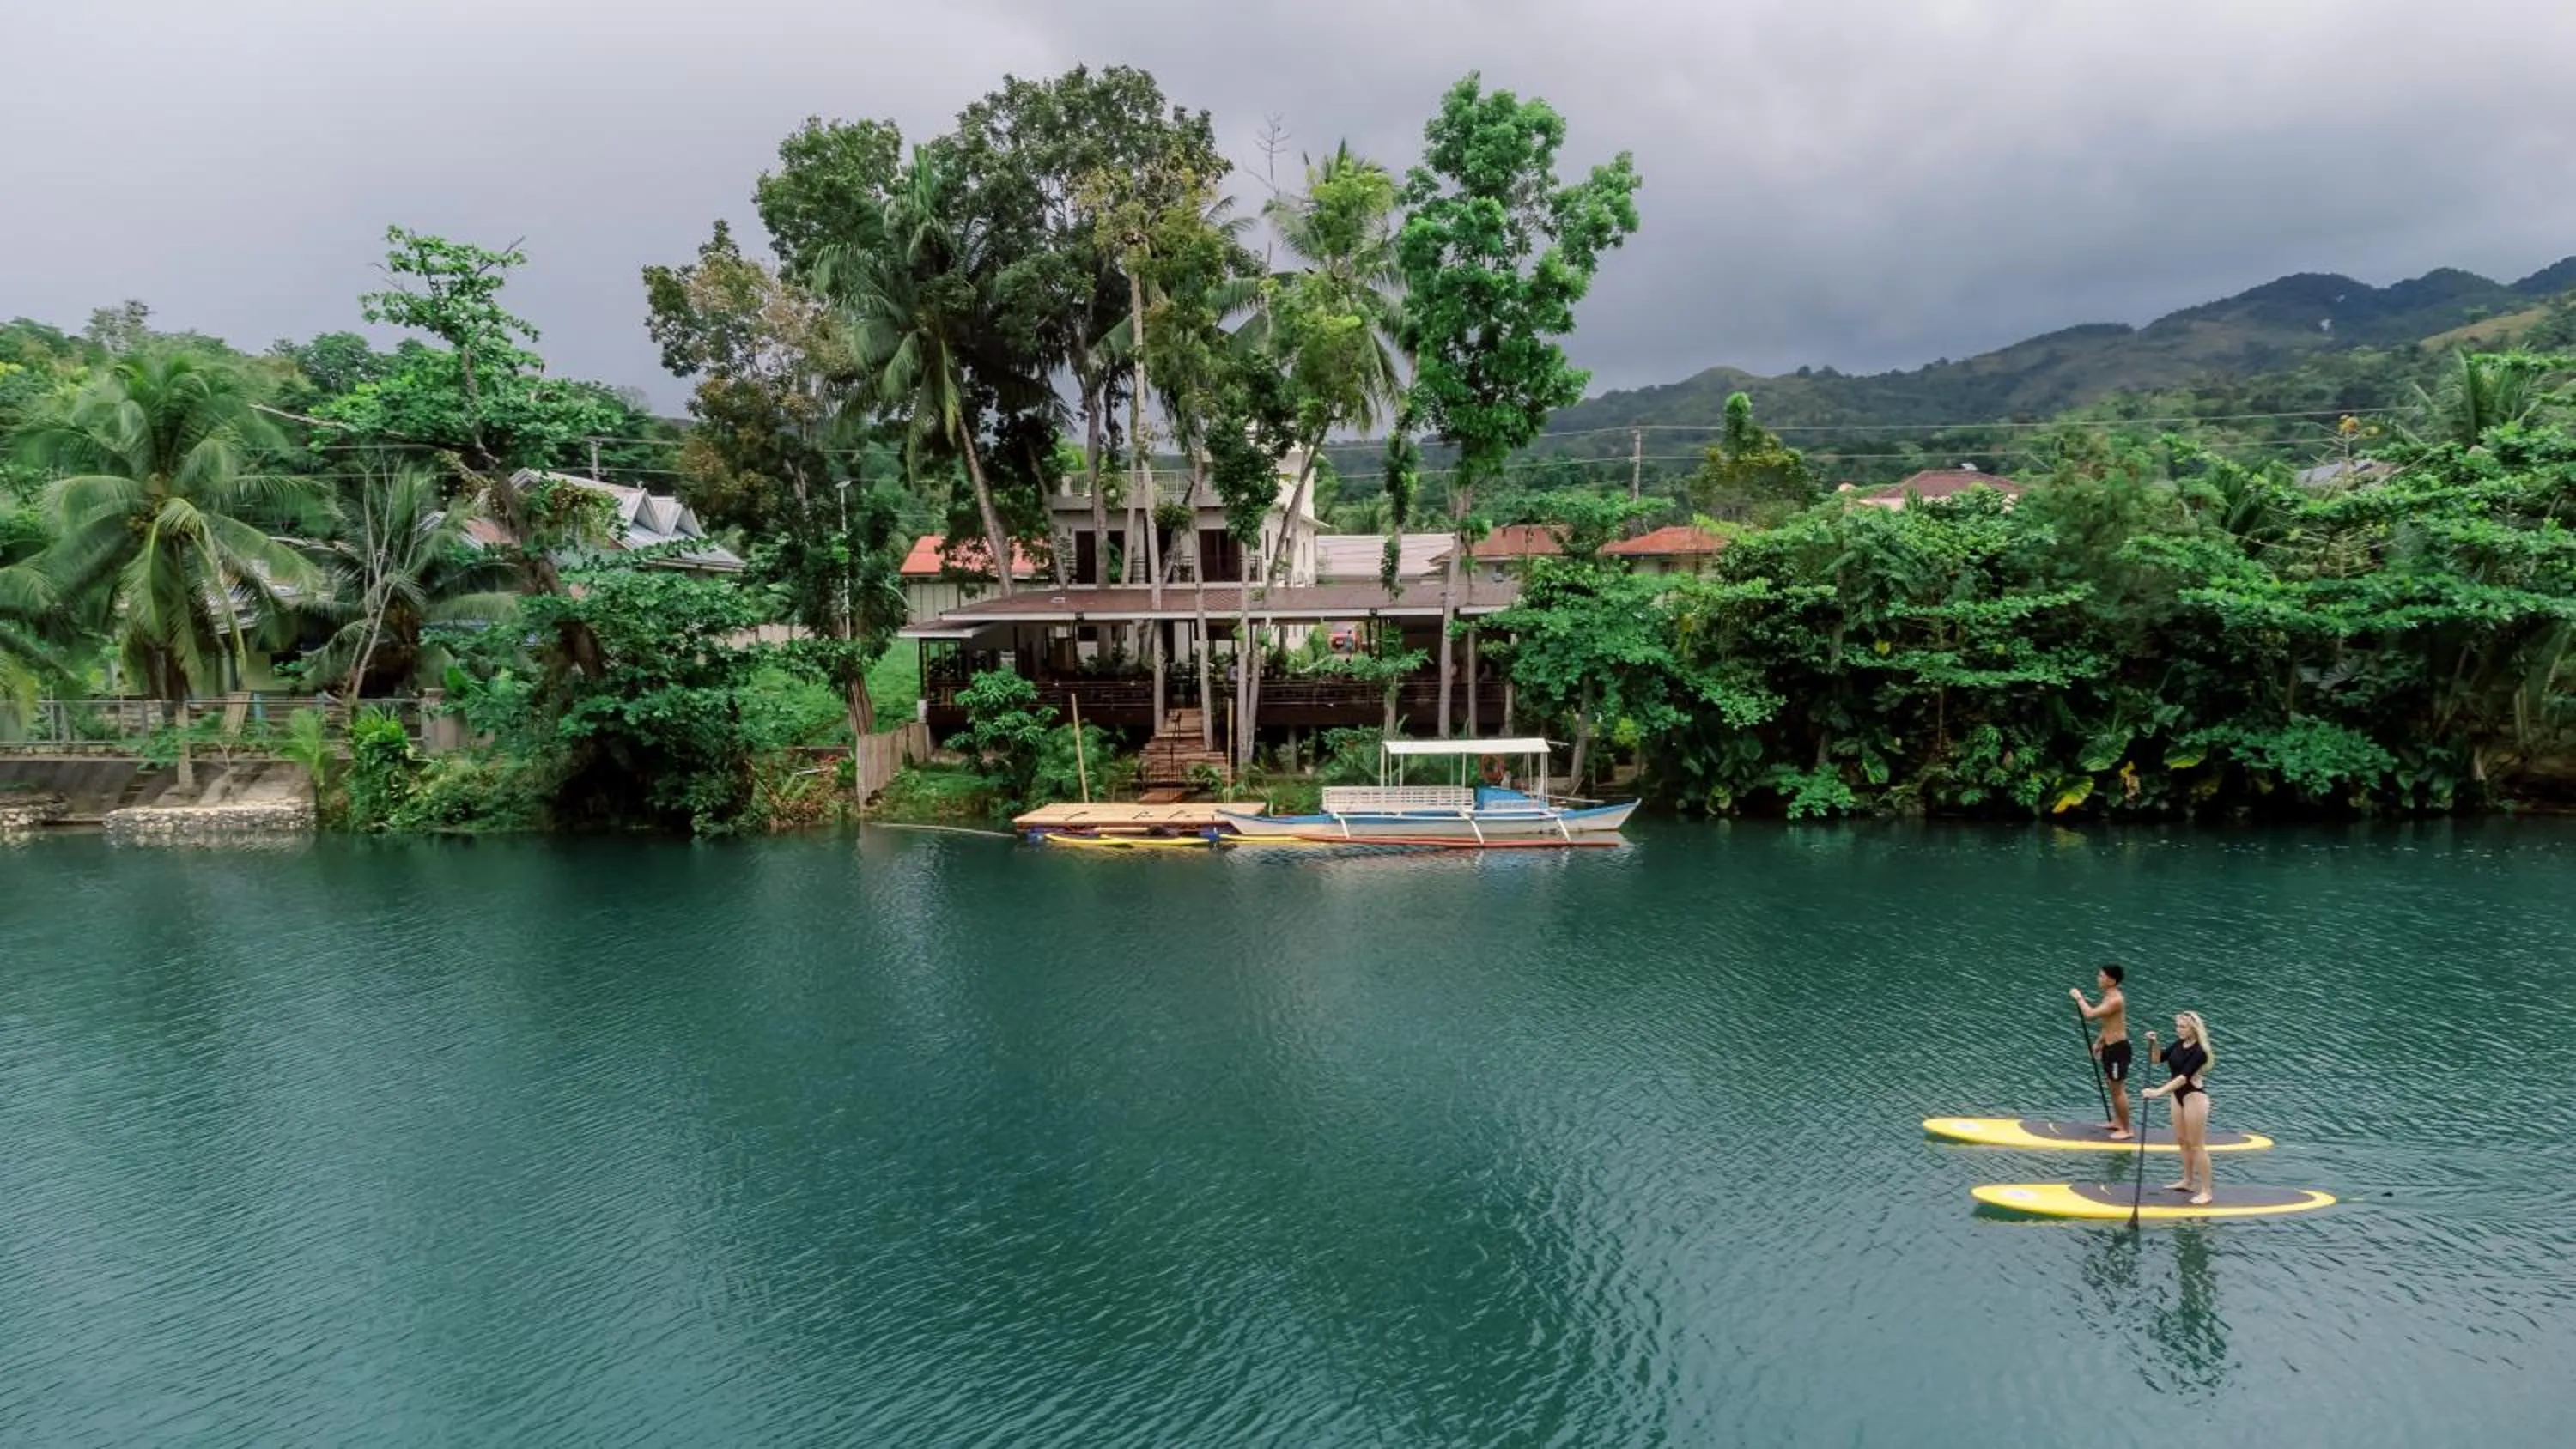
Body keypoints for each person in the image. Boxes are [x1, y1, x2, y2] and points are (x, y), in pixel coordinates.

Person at [2144, 1012, 2215, 1206]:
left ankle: (2207, 1191)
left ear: (2194, 1028)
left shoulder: (2200, 1051)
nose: (2178, 1030)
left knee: (2197, 1145)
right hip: (2177, 1097)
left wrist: (2158, 1092)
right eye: (2177, 1026)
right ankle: (2188, 1181)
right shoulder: (2178, 1044)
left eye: (2182, 1027)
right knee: (2182, 1140)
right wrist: (2154, 1043)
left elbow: (2184, 1077)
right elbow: (2157, 1059)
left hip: (2194, 1097)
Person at [2070, 965, 2132, 1139]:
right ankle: (2117, 1122)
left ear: (2112, 981)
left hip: (2118, 1049)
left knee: (2118, 1090)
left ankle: (2127, 1129)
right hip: (2108, 1047)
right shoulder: (2108, 996)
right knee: (2112, 1088)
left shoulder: (2116, 1000)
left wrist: (2079, 998)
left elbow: (2090, 1015)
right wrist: (2098, 1043)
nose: (2098, 978)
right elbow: (2109, 1024)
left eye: (2102, 976)